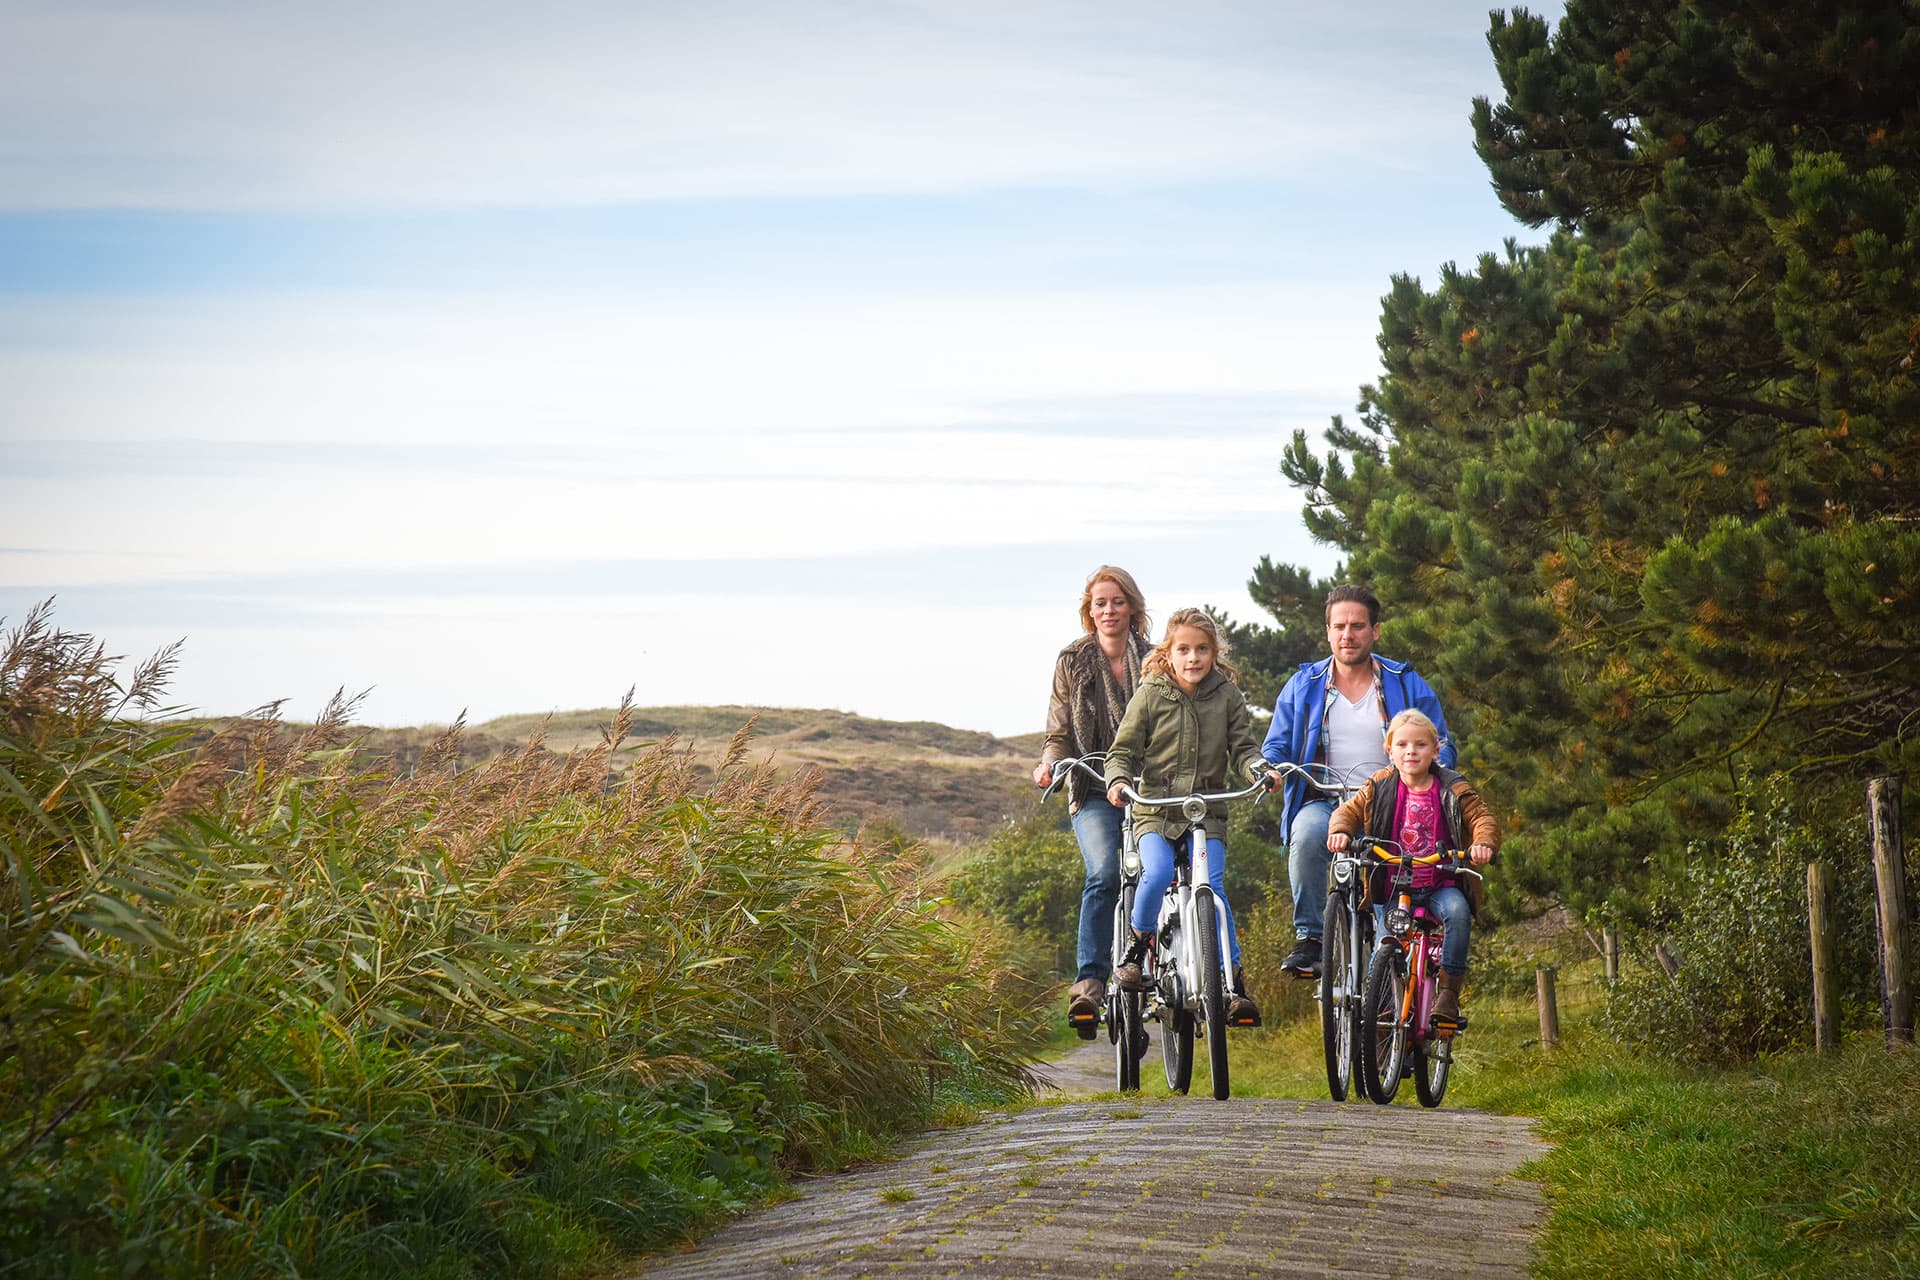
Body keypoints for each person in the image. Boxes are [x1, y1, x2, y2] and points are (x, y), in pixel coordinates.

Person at [1261, 583, 1456, 979]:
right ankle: (1310, 938)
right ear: (1327, 632)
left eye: (1357, 626)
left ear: (1375, 631)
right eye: (1339, 626)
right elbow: (1277, 744)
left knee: (1392, 892)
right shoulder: (1304, 684)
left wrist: (1438, 775)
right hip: (1324, 798)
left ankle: (1388, 975)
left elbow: (1442, 741)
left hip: (1391, 802)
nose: (1347, 635)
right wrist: (1272, 769)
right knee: (1305, 835)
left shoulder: (1403, 682)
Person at [1102, 607, 1271, 1026]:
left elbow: (1244, 750)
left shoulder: (1228, 696)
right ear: (1168, 652)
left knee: (1211, 887)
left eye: (1201, 650)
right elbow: (1122, 751)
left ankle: (1233, 987)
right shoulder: (1150, 693)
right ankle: (1137, 949)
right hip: (1156, 810)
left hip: (1206, 812)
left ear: (1215, 653)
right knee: (1156, 873)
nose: (1193, 658)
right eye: (1184, 649)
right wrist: (1119, 780)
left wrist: (1259, 771)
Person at [1034, 566, 1155, 1035]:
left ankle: (1151, 969)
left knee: (1158, 873)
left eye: (1118, 601)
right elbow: (1058, 732)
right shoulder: (1072, 661)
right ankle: (1089, 984)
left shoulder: (1157, 658)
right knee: (1105, 873)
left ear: (1133, 607)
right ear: (1089, 610)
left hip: (1149, 788)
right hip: (1091, 786)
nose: (1109, 610)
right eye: (1100, 603)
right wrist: (1049, 764)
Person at [1325, 709, 1497, 1023]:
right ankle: (1383, 1017)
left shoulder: (1452, 787)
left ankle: (1447, 992)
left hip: (1439, 884)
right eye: (1402, 745)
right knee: (1384, 946)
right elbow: (1348, 811)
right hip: (1391, 886)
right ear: (1389, 750)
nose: (1411, 752)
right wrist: (1340, 831)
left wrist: (1482, 843)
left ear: (1435, 750)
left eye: (1420, 745)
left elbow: (1481, 817)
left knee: (1458, 914)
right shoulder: (1379, 784)